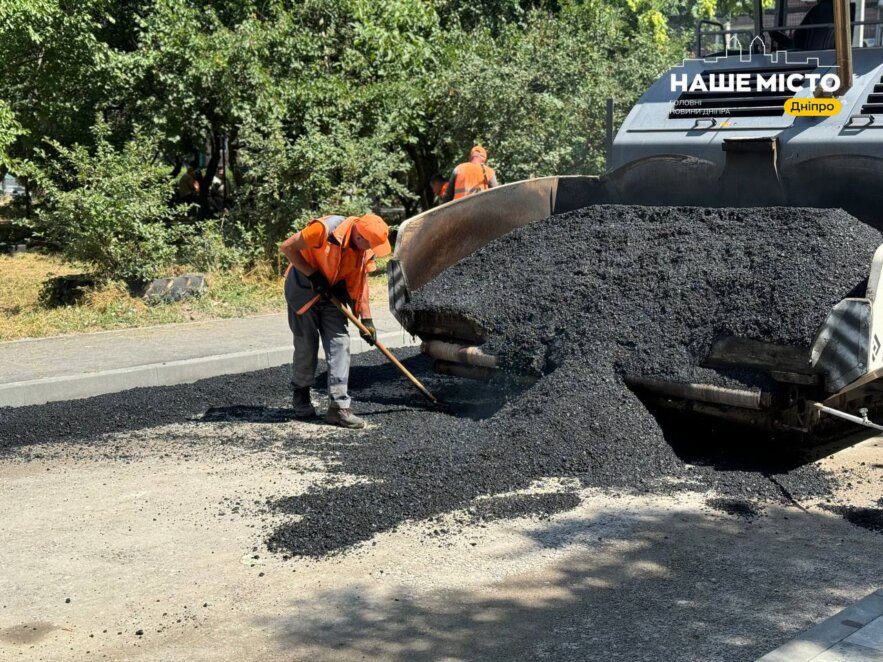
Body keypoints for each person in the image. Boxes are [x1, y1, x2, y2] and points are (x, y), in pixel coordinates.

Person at [279, 213, 392, 429]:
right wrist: (312, 274)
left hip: (332, 293)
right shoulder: (323, 229)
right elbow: (287, 247)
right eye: (370, 244)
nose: (371, 249)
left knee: (340, 343)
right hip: (304, 289)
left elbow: (361, 282)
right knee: (306, 346)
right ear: (359, 235)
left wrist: (366, 319)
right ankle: (301, 394)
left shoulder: (363, 249)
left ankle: (338, 408)